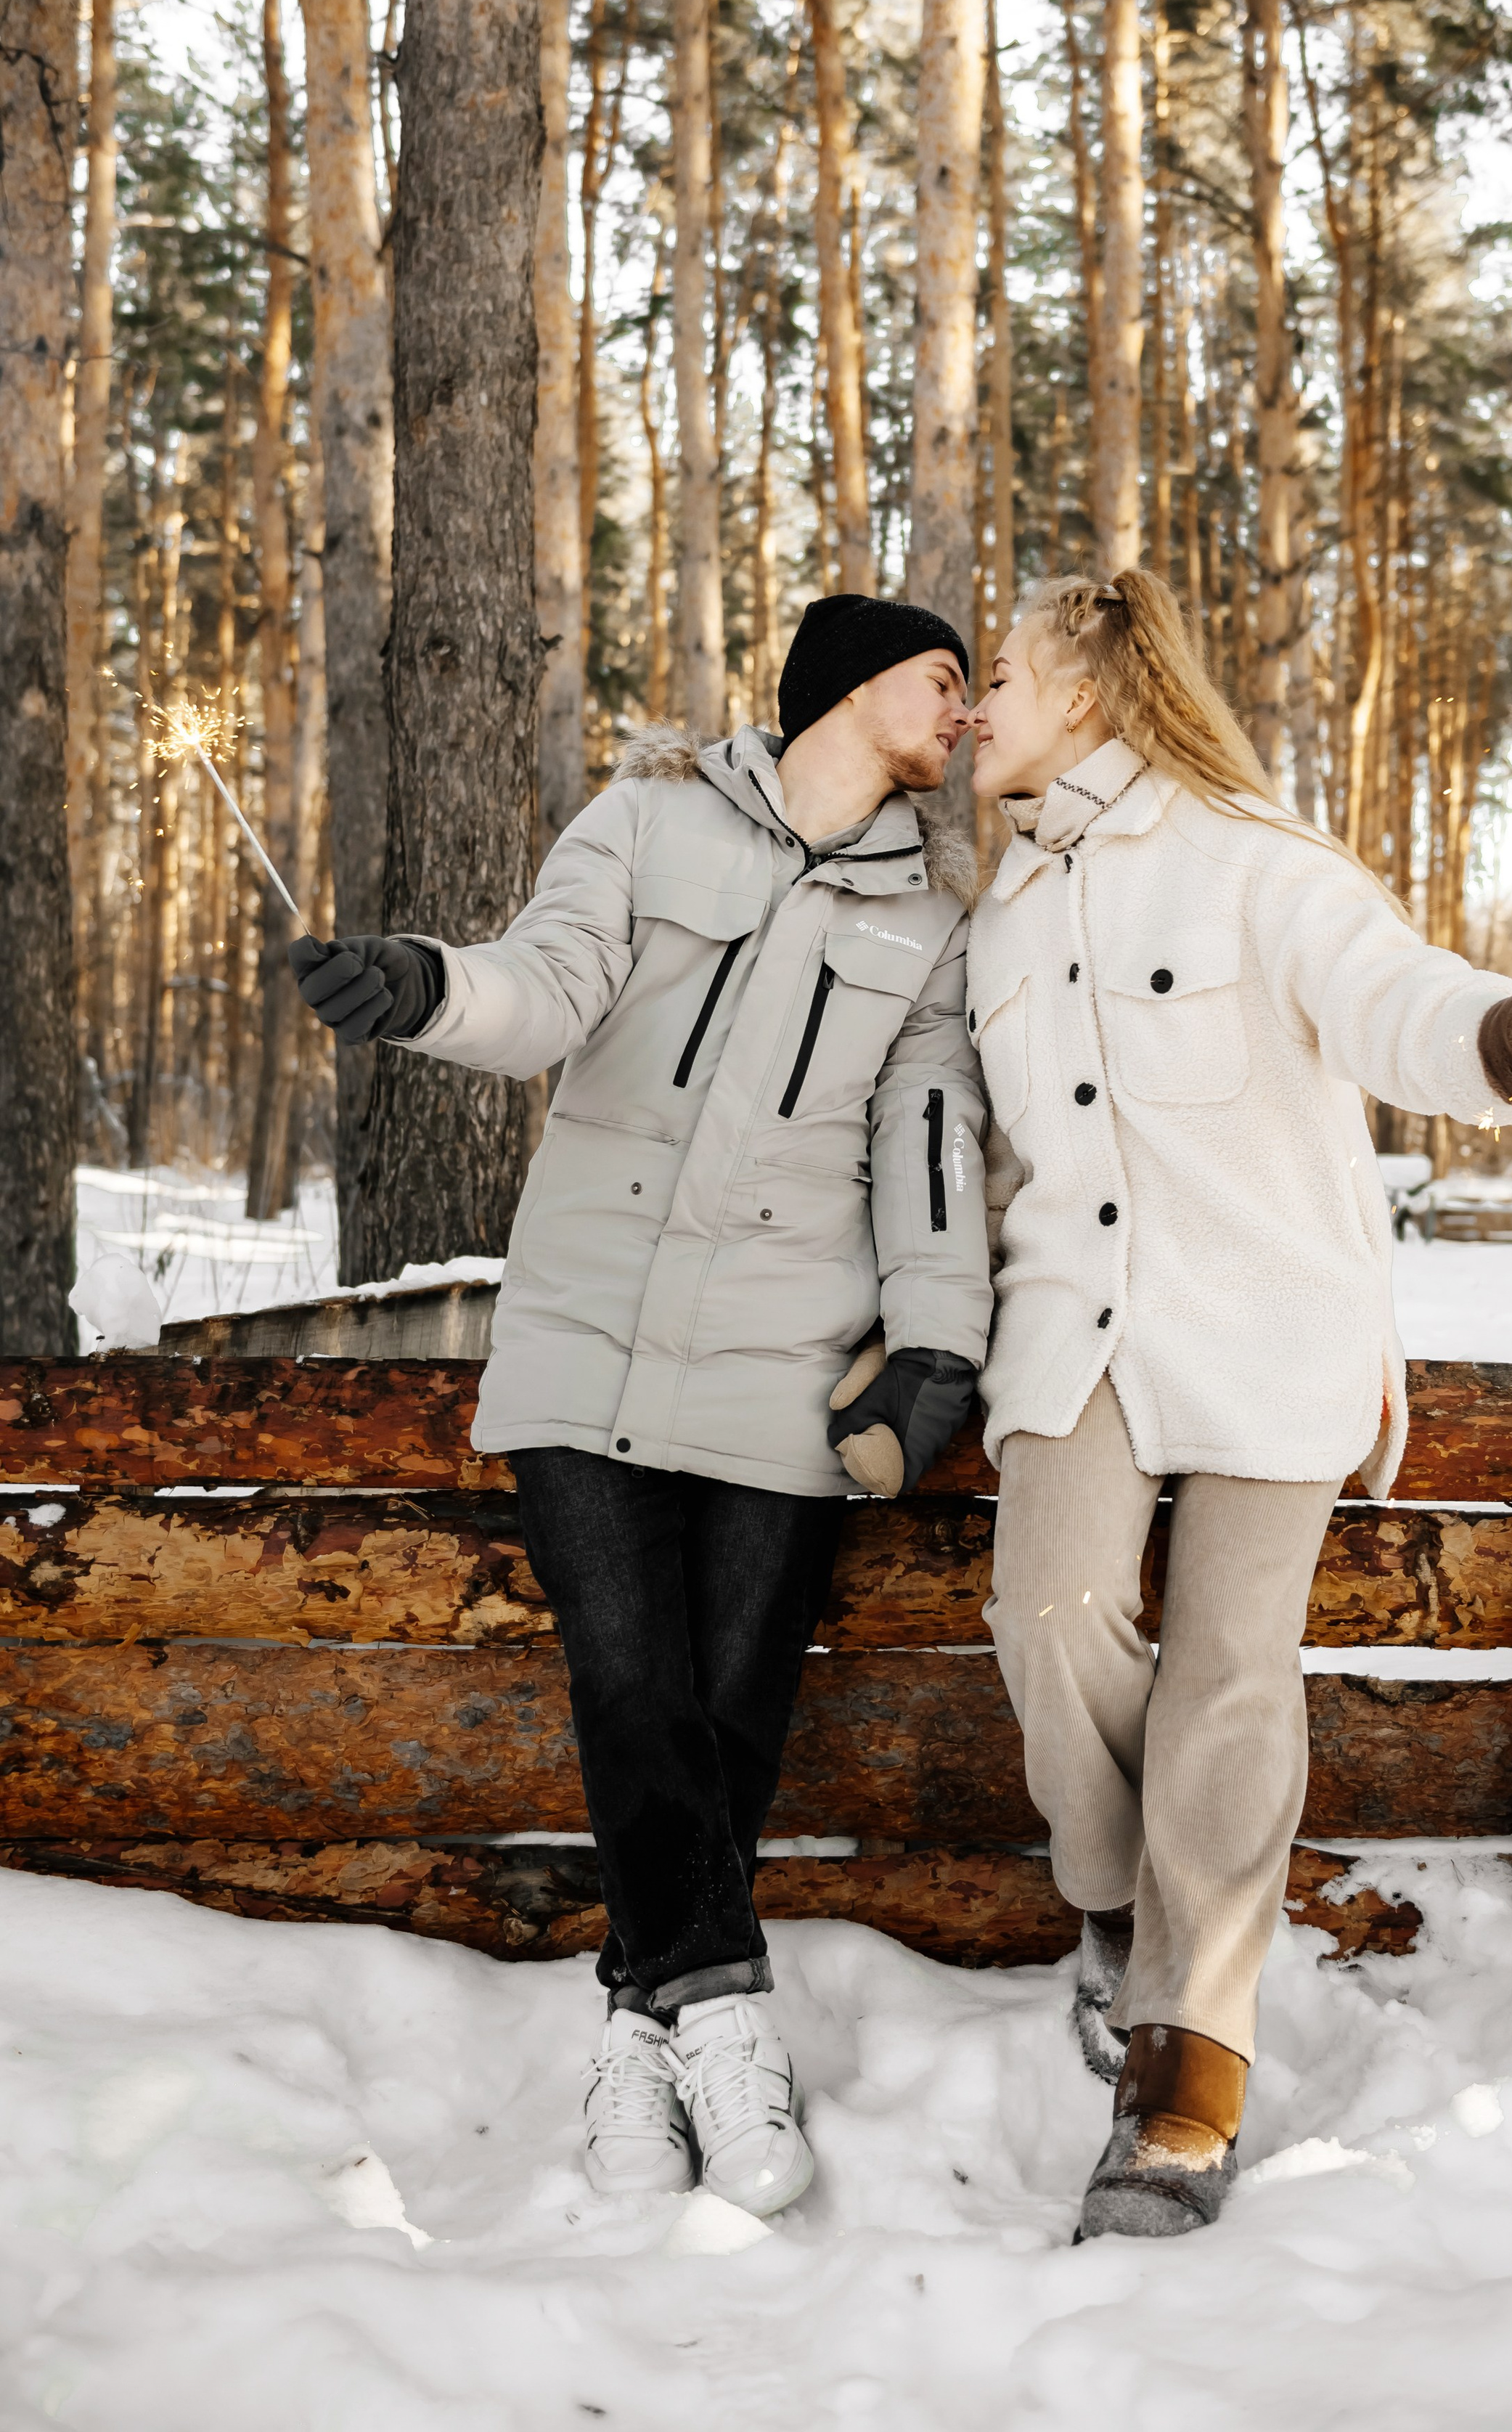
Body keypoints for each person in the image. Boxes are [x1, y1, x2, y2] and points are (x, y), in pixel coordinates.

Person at [967, 568, 1512, 2243]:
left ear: (1094, 684)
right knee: (1046, 1607)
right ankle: (1115, 1901)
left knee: (1225, 1672)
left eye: (1002, 668)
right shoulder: (997, 911)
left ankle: (1185, 2071)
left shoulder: (1258, 864)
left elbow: (1398, 1002)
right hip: (1080, 1328)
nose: (978, 698)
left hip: (1273, 1323)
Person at [290, 598, 992, 2219]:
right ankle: (718, 2012)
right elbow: (547, 984)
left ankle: (635, 2020)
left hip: (780, 1348)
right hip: (585, 1332)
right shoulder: (647, 819)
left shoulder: (935, 911)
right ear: (847, 681)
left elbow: (931, 1132)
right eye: (941, 677)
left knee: (728, 1713)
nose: (963, 715)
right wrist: (422, 987)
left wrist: (934, 1342)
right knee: (627, 1680)